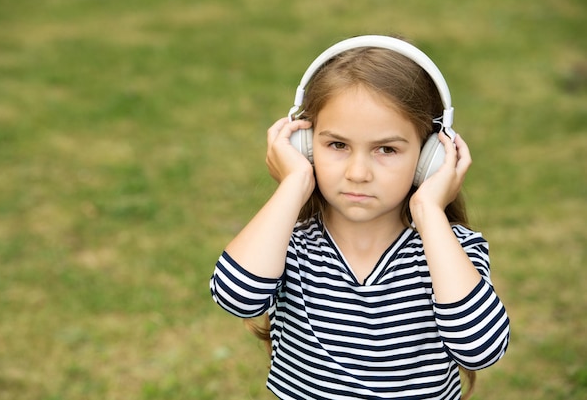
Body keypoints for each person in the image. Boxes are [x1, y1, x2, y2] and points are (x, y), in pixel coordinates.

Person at [210, 35, 510, 400]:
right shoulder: (287, 243)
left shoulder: (451, 249)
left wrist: (430, 211)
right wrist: (295, 182)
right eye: (337, 145)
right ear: (304, 145)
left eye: (386, 149)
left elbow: (481, 349)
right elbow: (235, 297)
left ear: (430, 156)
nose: (357, 172)